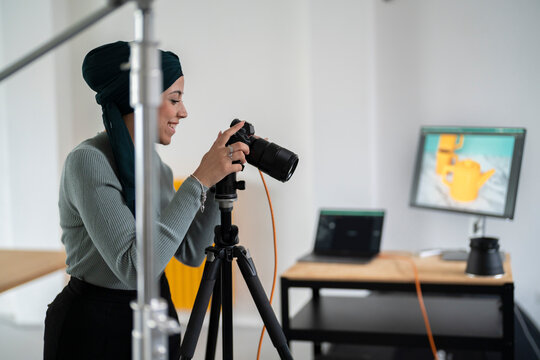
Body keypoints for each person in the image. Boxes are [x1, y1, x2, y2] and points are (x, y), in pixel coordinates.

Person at [43, 41, 249, 360]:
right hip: (96, 324)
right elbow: (134, 268)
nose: (183, 112)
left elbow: (193, 252)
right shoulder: (88, 161)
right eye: (174, 99)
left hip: (156, 311)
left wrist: (217, 181)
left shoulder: (157, 168)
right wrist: (198, 181)